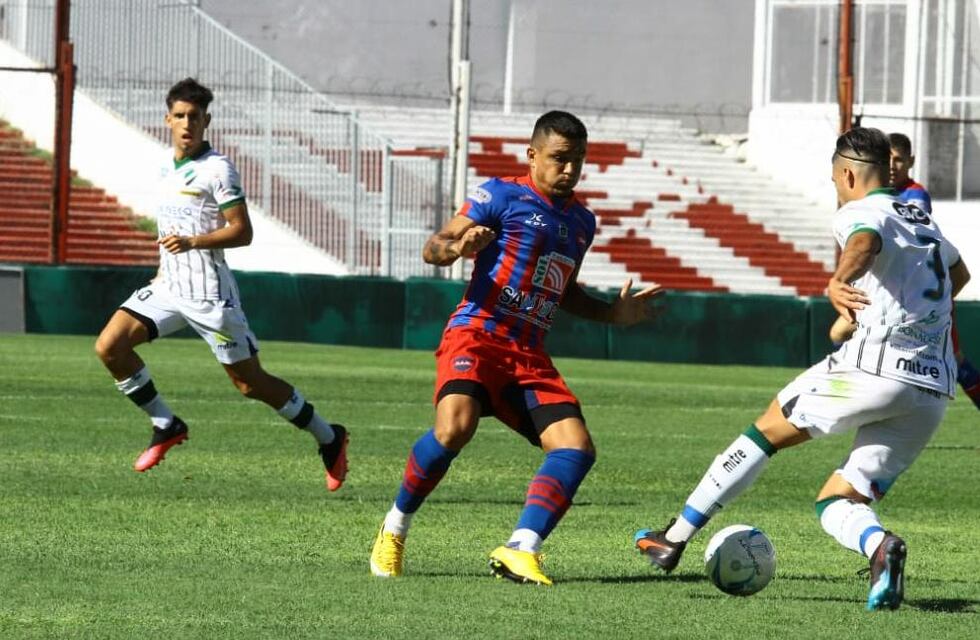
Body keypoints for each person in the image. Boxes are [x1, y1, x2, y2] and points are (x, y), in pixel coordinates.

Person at [633, 127, 970, 611]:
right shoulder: (920, 217)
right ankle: (881, 548)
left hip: (873, 370)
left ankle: (674, 538)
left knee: (765, 432)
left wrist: (839, 280)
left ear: (849, 173)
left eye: (836, 180)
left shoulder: (860, 210)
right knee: (838, 500)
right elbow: (959, 275)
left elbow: (863, 242)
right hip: (931, 390)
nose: (837, 188)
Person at [369, 110, 662, 585]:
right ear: (532, 155)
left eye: (579, 160)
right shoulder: (500, 194)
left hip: (528, 353)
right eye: (559, 159)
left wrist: (612, 313)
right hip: (478, 334)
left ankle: (521, 547)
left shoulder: (583, 221)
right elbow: (434, 246)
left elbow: (564, 291)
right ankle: (394, 527)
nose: (569, 169)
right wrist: (461, 245)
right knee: (454, 429)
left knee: (576, 448)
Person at [93, 78, 348, 490]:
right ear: (167, 120)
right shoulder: (163, 166)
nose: (187, 123)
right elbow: (172, 226)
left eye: (194, 116)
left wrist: (193, 242)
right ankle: (166, 423)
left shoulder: (217, 169)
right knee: (110, 346)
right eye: (179, 116)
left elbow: (242, 231)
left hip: (210, 295)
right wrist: (164, 267)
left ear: (206, 120)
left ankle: (329, 436)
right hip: (169, 287)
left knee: (251, 384)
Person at [890, 133, 980, 409]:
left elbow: (911, 234)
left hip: (926, 289)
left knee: (956, 360)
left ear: (911, 161)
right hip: (904, 291)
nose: (893, 165)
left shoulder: (914, 194)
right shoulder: (880, 194)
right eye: (888, 159)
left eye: (899, 159)